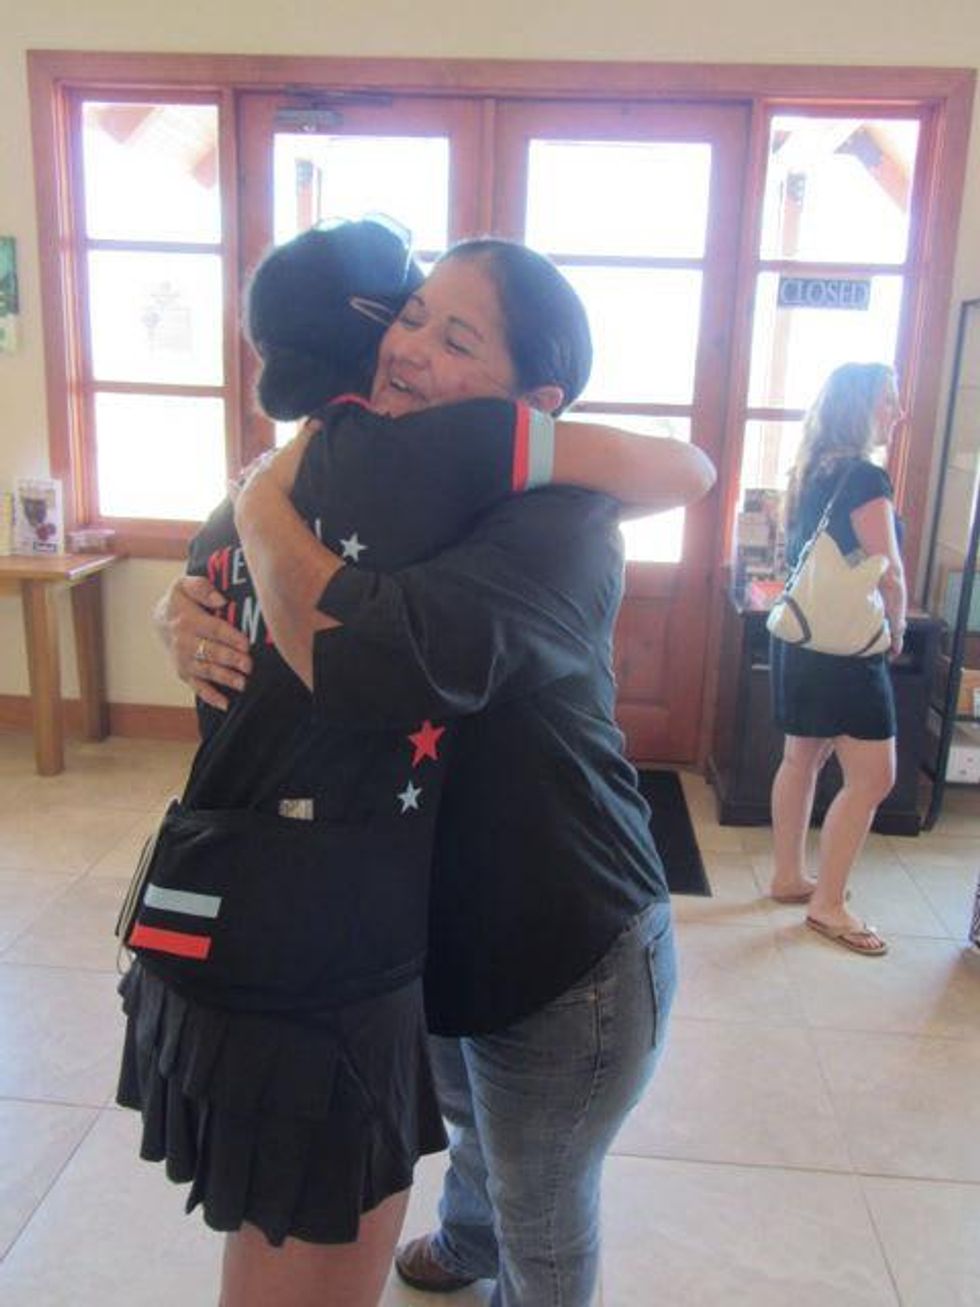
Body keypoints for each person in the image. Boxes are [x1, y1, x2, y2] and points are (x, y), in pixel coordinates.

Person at [137, 225, 715, 1307]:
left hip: (565, 951)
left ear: (529, 401)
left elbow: (364, 657)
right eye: (410, 316)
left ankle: (501, 1261)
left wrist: (261, 496)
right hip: (428, 929)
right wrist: (187, 613)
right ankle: (462, 1237)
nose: (409, 350)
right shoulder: (365, 476)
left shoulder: (560, 523)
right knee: (469, 1127)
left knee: (541, 1201)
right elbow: (239, 594)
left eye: (457, 338)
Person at [768, 361, 907, 956]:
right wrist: (897, 628)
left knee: (802, 758)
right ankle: (828, 904)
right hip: (848, 651)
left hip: (797, 637)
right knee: (874, 777)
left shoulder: (808, 470)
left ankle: (788, 877)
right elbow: (891, 571)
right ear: (861, 408)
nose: (897, 412)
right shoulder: (866, 479)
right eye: (888, 401)